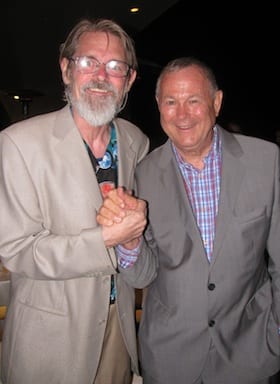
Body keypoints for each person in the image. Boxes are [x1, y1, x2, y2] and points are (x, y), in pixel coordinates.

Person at [96, 57, 280, 384]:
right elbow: (144, 274)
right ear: (158, 105)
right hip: (170, 360)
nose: (182, 114)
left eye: (193, 101)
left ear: (216, 102)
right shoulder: (144, 173)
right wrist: (130, 242)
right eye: (170, 102)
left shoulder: (264, 161)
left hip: (249, 353)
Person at [0, 18, 150, 384]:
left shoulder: (137, 142)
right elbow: (17, 251)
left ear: (129, 80)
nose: (101, 75)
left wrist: (131, 242)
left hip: (119, 332)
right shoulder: (19, 143)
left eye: (115, 67)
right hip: (49, 340)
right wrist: (104, 241)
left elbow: (141, 245)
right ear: (67, 69)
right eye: (88, 62)